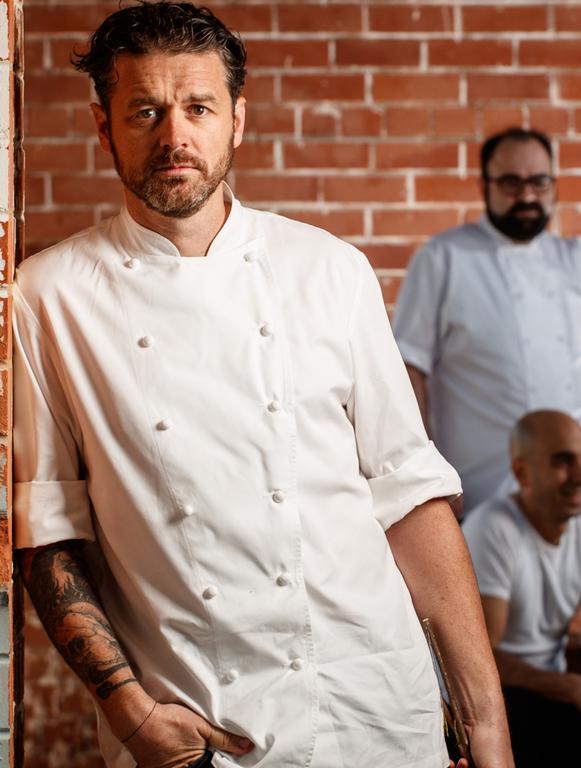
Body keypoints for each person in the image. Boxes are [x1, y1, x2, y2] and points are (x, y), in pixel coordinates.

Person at [12, 4, 512, 767]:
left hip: (378, 701)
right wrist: (128, 710)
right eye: (145, 111)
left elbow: (408, 494)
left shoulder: (328, 268)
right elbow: (48, 530)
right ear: (103, 125)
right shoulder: (51, 297)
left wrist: (486, 723)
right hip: (208, 725)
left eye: (199, 108)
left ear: (237, 120)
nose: (175, 137)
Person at [392, 128, 581, 514]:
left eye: (538, 182)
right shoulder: (444, 258)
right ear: (484, 187)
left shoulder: (575, 260)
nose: (527, 195)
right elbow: (410, 366)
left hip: (568, 490)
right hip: (478, 485)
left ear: (553, 185)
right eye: (511, 183)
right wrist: (429, 477)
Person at [461, 410, 581, 767]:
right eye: (562, 461)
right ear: (522, 473)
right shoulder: (493, 530)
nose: (580, 475)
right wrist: (573, 689)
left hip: (556, 692)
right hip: (500, 697)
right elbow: (480, 662)